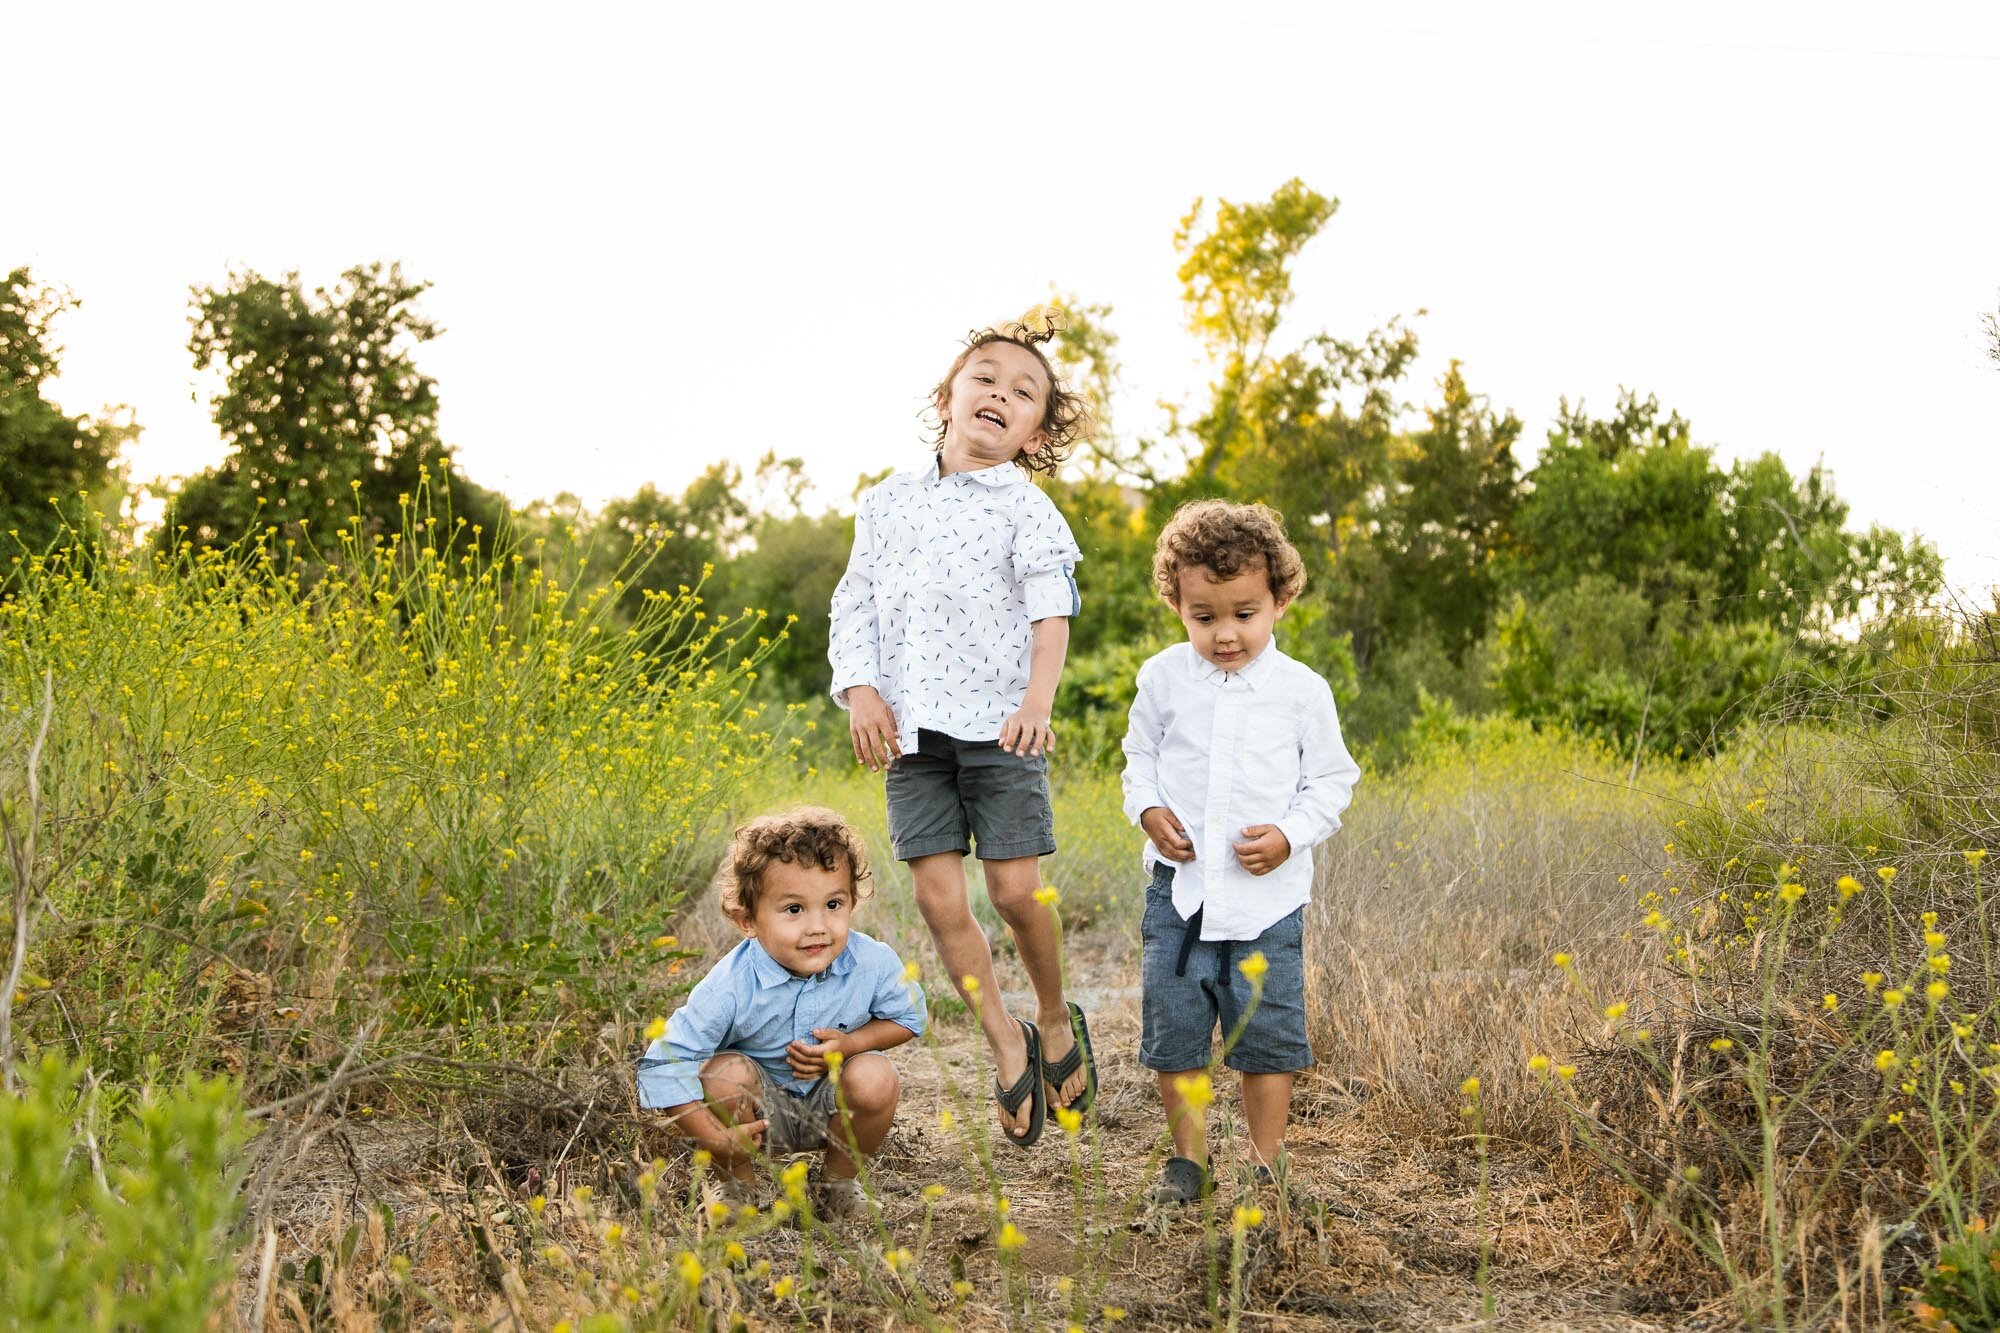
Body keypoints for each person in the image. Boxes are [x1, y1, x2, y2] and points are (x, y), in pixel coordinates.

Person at [827, 309, 1096, 1148]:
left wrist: (1038, 703)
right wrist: (860, 690)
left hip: (1002, 728)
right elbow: (855, 603)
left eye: (1024, 394)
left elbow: (1051, 617)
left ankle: (1054, 1017)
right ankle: (1004, 1038)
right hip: (910, 736)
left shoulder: (1026, 510)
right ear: (947, 396)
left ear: (1033, 432)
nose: (1000, 394)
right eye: (985, 378)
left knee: (1016, 893)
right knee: (940, 900)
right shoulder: (886, 502)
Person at [1120, 499, 1360, 1202]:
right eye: (1204, 617)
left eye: (1244, 614)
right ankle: (1187, 1163)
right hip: (1180, 893)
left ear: (1280, 599)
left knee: (1268, 1037)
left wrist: (1289, 835)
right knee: (1177, 1028)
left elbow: (1332, 779)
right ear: (1177, 604)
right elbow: (1140, 758)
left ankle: (1265, 1165)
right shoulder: (1162, 678)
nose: (1225, 633)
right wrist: (1149, 809)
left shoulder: (1301, 691)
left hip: (1266, 901)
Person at [635, 808, 925, 1218]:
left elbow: (908, 1017)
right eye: (794, 909)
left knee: (876, 1074)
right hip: (755, 1117)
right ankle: (736, 1188)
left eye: (833, 904)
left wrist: (852, 1044)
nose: (818, 926)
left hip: (829, 1107)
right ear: (747, 920)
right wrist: (715, 1138)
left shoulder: (871, 962)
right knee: (723, 1073)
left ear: (853, 902)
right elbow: (662, 1063)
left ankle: (837, 1187)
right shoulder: (730, 984)